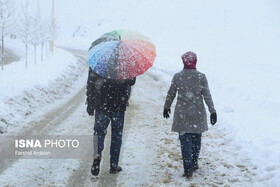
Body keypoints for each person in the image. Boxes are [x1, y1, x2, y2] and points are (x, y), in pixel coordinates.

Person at [163, 51, 217, 178]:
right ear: (195, 61)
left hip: (182, 113)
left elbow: (171, 93)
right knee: (196, 138)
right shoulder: (201, 77)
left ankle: (188, 169)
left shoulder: (178, 76)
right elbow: (207, 95)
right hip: (197, 113)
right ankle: (194, 163)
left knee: (185, 140)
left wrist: (166, 107)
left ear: (183, 61)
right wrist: (212, 111)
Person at [86, 67, 136, 176]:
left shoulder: (100, 61)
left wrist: (90, 101)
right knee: (116, 135)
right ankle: (114, 165)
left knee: (99, 132)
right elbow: (132, 81)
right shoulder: (125, 62)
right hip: (118, 103)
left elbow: (91, 81)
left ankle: (97, 154)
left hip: (101, 103)